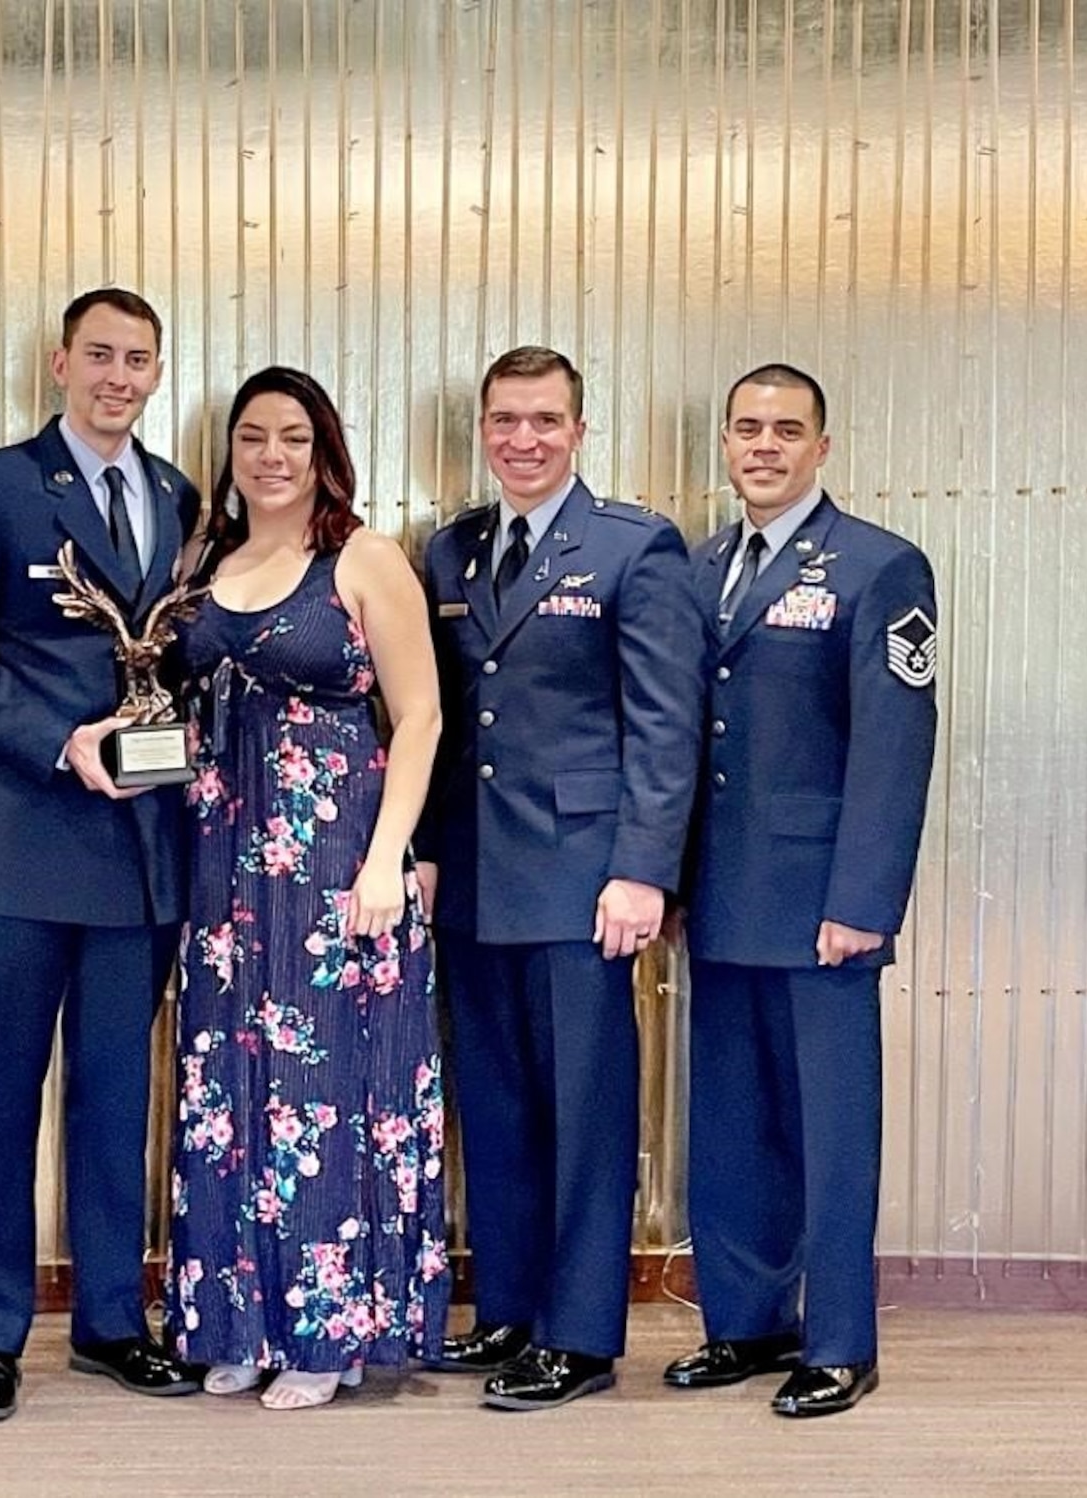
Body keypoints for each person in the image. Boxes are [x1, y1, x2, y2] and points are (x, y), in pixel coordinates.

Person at [0, 287, 203, 1423]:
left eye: (138, 360)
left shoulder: (177, 498)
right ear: (59, 363)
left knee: (117, 1099)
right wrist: (56, 739)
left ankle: (111, 1323)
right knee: (0, 1099)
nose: (118, 378)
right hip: (16, 851)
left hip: (139, 856)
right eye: (100, 356)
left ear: (156, 373)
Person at [415, 346, 705, 1411]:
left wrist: (642, 870)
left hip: (585, 878)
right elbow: (442, 723)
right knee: (493, 1105)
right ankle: (508, 1309)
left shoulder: (632, 546)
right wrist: (429, 849)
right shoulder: (451, 551)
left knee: (584, 1111)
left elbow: (664, 725)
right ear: (482, 430)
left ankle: (579, 1336)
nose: (523, 439)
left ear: (579, 431)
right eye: (504, 420)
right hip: (477, 874)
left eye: (544, 420)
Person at [162, 366, 450, 1411]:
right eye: (252, 436)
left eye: (293, 436)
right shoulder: (205, 561)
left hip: (334, 862)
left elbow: (419, 717)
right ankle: (239, 1320)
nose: (271, 455)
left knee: (325, 1093)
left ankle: (328, 1335)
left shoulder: (362, 558)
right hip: (222, 868)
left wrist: (385, 860)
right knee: (228, 1092)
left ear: (325, 451)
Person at [662, 363, 938, 1418]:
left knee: (830, 1133)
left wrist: (864, 901)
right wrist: (669, 876)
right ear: (726, 444)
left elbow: (893, 747)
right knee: (731, 1126)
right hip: (722, 895)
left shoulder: (878, 566)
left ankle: (839, 1341)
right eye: (747, 429)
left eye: (786, 430)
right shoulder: (701, 567)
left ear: (822, 447)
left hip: (822, 902)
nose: (763, 447)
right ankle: (744, 1323)